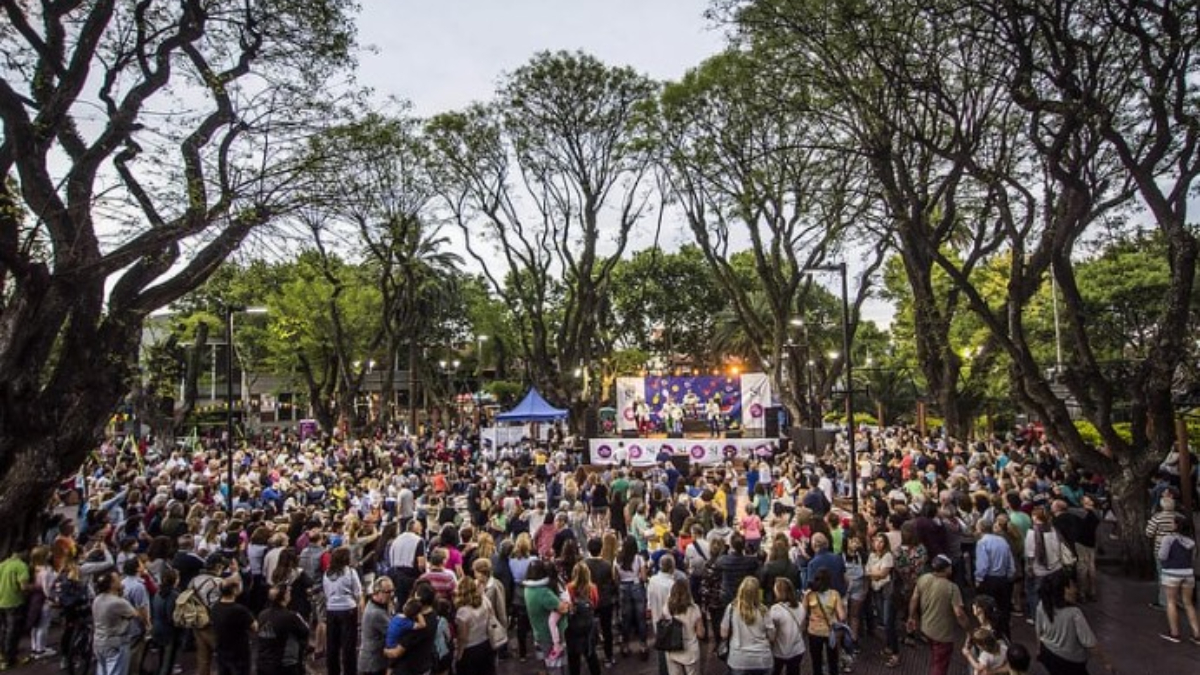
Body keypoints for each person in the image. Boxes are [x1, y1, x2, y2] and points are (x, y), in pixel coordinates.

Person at [1035, 572, 1114, 675]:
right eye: (1072, 586)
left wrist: (1039, 650)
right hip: (1071, 662)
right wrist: (1106, 662)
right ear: (1064, 590)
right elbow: (1090, 643)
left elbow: (1038, 632)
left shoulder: (1042, 606)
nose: (1075, 590)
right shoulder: (1074, 613)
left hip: (1048, 654)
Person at [906, 554, 968, 675]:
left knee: (935, 657)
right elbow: (959, 614)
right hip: (943, 634)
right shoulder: (952, 588)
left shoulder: (923, 579)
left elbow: (914, 599)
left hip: (926, 628)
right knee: (940, 665)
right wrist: (968, 629)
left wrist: (911, 617)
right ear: (946, 569)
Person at [1157, 515, 1199, 644]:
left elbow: (1162, 555)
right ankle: (1197, 634)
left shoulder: (1168, 539)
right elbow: (1193, 558)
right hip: (1188, 573)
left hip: (1171, 573)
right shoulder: (1191, 542)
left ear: (1176, 525)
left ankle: (1174, 633)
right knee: (1188, 603)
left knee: (1171, 602)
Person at [323, 546, 364, 675]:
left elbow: (326, 592)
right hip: (348, 609)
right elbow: (358, 593)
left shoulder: (327, 573)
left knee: (332, 645)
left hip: (331, 609)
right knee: (349, 646)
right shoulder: (350, 572)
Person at [721, 576, 774, 675]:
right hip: (762, 658)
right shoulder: (763, 610)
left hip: (739, 658)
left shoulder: (731, 608)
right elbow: (772, 636)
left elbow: (724, 634)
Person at [524, 560, 570, 675]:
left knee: (544, 666)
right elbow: (563, 608)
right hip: (550, 638)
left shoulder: (527, 589)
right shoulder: (544, 592)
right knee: (556, 668)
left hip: (538, 633)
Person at [92, 570, 142, 675]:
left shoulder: (97, 599)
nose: (120, 580)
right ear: (111, 585)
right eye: (117, 579)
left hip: (98, 640)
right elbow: (135, 614)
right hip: (115, 642)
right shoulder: (118, 602)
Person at [975, 518, 1016, 639]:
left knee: (988, 612)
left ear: (980, 528)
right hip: (1003, 580)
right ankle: (1005, 637)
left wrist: (978, 579)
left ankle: (991, 638)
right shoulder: (1002, 540)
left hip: (989, 580)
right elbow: (1010, 562)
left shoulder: (982, 542)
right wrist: (1009, 575)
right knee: (1004, 610)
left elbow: (983, 565)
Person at [257, 583, 310, 675]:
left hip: (263, 662)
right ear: (285, 596)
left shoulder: (262, 614)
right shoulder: (291, 616)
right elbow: (305, 631)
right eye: (289, 592)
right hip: (284, 664)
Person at [865, 532, 899, 667]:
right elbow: (868, 570)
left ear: (885, 544)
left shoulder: (888, 556)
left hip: (887, 591)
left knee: (888, 621)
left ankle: (895, 652)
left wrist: (872, 574)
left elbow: (882, 574)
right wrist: (874, 574)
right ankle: (889, 646)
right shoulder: (872, 555)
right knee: (883, 620)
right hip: (876, 591)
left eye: (881, 542)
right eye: (876, 541)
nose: (878, 544)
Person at [803, 567, 844, 675]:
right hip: (830, 631)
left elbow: (803, 612)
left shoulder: (810, 594)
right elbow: (842, 616)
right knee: (833, 660)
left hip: (814, 630)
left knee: (816, 660)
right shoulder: (834, 594)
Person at [211, 575, 255, 675]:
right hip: (238, 652)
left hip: (222, 649)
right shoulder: (239, 610)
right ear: (234, 590)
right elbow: (254, 626)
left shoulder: (215, 607)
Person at [582, 537, 616, 666]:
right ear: (601, 549)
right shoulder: (606, 565)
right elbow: (612, 582)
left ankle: (591, 656)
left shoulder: (584, 565)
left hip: (590, 600)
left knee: (589, 630)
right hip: (605, 600)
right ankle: (609, 656)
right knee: (607, 629)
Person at [615, 536, 649, 660]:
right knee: (641, 618)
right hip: (637, 586)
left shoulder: (617, 559)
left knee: (626, 618)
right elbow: (644, 577)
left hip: (624, 587)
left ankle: (625, 646)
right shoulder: (639, 559)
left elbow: (615, 578)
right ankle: (643, 646)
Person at [564, 562, 602, 675]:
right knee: (591, 655)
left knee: (573, 658)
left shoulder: (569, 588)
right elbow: (595, 604)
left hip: (573, 627)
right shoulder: (593, 588)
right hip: (588, 627)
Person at [454, 576, 496, 675]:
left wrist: (459, 655)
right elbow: (492, 616)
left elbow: (463, 637)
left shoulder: (462, 612)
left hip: (470, 650)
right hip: (486, 644)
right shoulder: (483, 602)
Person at [662, 579, 704, 675]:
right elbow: (700, 634)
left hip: (672, 649)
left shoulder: (667, 607)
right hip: (690, 650)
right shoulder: (694, 609)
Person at [767, 578, 806, 675]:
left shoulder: (775, 609)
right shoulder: (800, 606)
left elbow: (771, 631)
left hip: (779, 650)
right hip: (797, 649)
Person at [358, 577, 394, 675]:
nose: (391, 595)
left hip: (375, 662)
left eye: (392, 591)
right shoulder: (376, 613)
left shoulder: (375, 604)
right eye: (388, 592)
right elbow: (393, 632)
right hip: (372, 664)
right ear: (377, 592)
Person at [149, 568, 183, 675]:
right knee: (168, 661)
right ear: (175, 580)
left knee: (161, 657)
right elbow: (171, 616)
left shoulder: (158, 592)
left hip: (157, 627)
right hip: (169, 631)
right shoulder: (173, 595)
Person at [0, 550, 29, 669]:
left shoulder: (2, 564)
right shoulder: (21, 566)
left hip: (1, 601)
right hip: (14, 602)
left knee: (3, 629)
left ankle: (2, 655)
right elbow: (24, 586)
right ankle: (9, 659)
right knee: (13, 632)